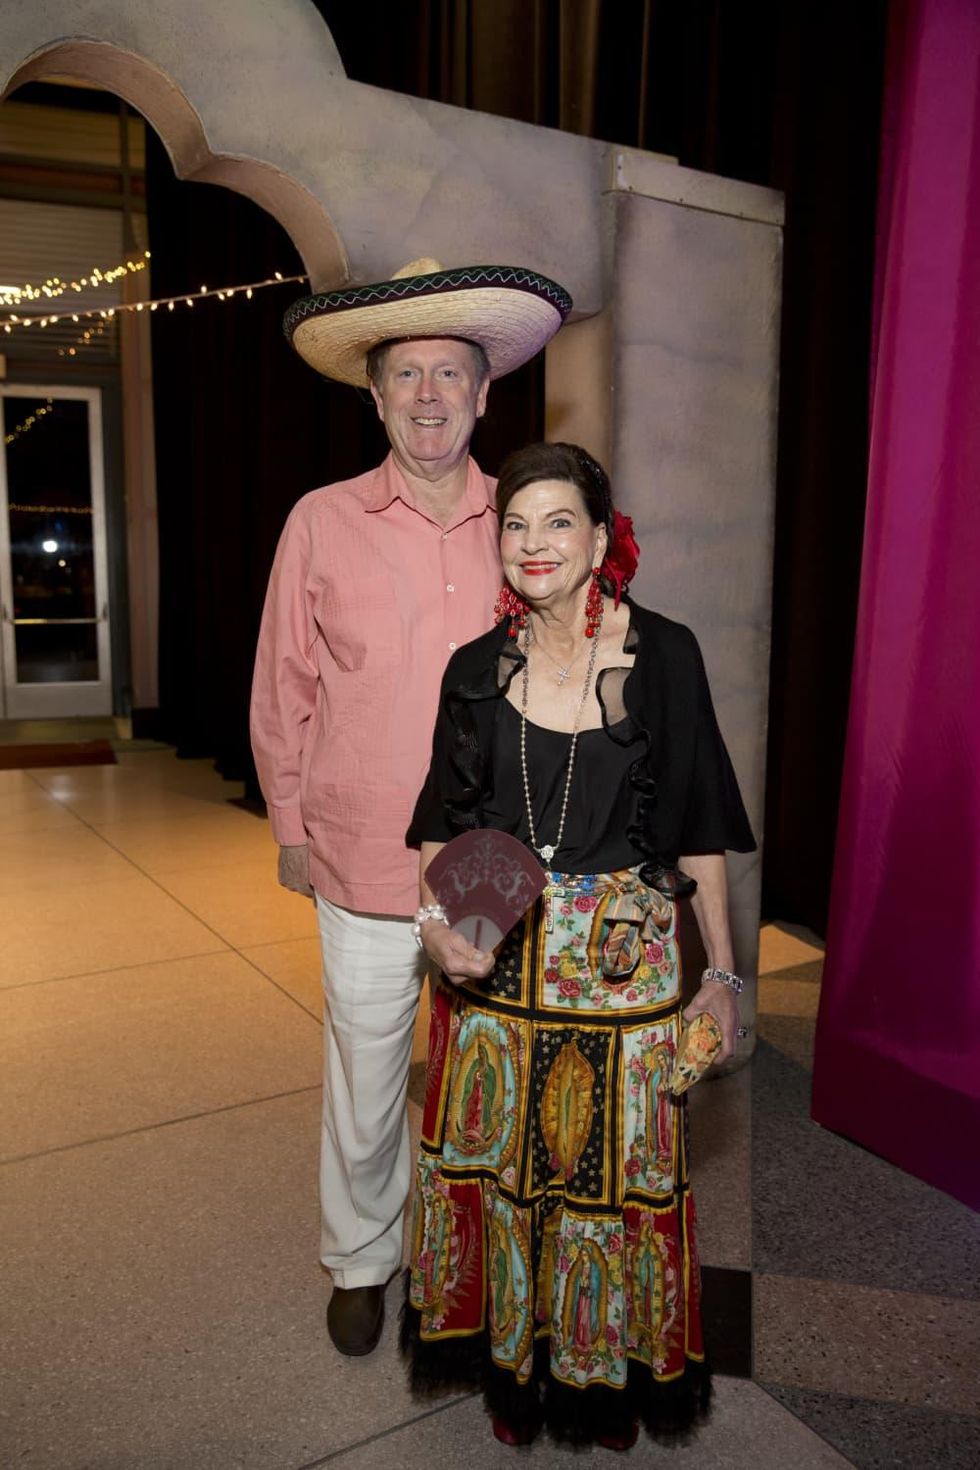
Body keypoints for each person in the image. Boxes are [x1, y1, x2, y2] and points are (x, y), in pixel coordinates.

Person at [402, 441, 755, 1448]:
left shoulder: (666, 657)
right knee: (512, 1188)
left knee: (617, 1184)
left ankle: (608, 1387)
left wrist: (719, 974)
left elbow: (699, 829)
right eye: (513, 524)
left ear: (602, 540)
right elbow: (438, 828)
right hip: (500, 979)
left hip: (626, 980)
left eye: (557, 521)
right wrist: (436, 928)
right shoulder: (473, 672)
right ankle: (518, 1376)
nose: (532, 542)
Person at [250, 261, 571, 1357]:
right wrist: (291, 828)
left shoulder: (529, 524)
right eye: (404, 377)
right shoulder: (320, 521)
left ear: (484, 397)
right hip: (361, 846)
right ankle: (360, 1260)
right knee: (369, 1065)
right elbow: (282, 685)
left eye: (449, 373)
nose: (428, 395)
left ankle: (498, 1263)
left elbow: (582, 666)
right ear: (372, 397)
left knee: (504, 1067)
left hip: (498, 856)